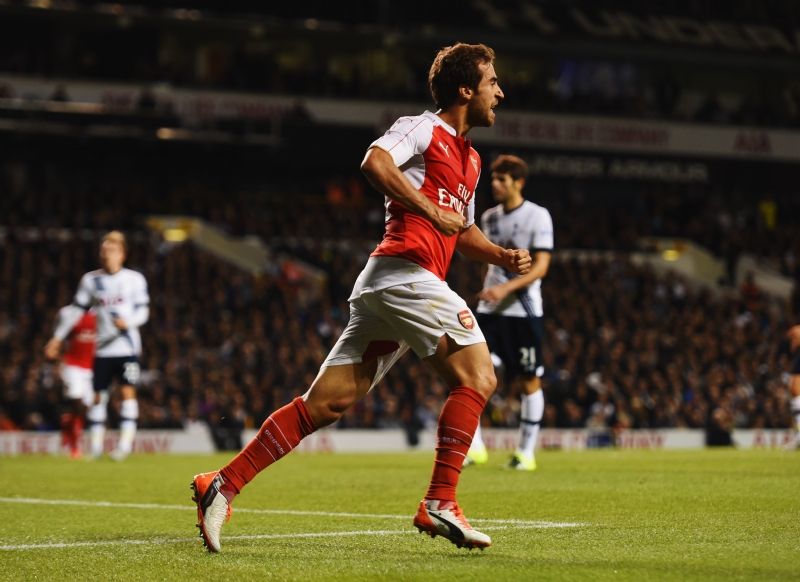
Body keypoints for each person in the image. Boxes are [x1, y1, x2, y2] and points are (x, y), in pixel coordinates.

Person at [191, 42, 531, 553]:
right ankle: (440, 501)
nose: (500, 93)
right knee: (479, 377)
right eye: (493, 82)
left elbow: (461, 229)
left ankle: (221, 484)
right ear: (466, 90)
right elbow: (374, 163)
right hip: (405, 276)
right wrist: (429, 210)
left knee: (326, 404)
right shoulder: (422, 128)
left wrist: (500, 255)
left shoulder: (473, 159)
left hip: (391, 289)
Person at [464, 155, 553, 471]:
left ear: (519, 182)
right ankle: (475, 448)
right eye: (493, 179)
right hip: (489, 312)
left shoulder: (538, 216)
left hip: (523, 312)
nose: (495, 184)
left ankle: (525, 453)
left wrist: (504, 289)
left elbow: (541, 267)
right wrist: (490, 288)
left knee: (529, 380)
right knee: (470, 373)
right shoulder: (489, 218)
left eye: (502, 179)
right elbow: (488, 261)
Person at [44, 231, 150, 461]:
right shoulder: (90, 280)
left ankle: (124, 447)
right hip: (101, 350)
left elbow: (143, 311)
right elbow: (76, 312)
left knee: (127, 392)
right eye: (104, 250)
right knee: (98, 397)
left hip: (127, 348)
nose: (106, 254)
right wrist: (57, 338)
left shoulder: (134, 279)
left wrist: (129, 322)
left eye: (111, 250)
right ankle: (95, 448)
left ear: (122, 253)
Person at [44, 306, 97, 458]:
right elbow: (58, 336)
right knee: (77, 400)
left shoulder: (101, 313)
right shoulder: (67, 312)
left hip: (92, 367)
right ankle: (75, 447)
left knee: (86, 407)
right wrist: (56, 356)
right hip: (72, 365)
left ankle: (68, 424)